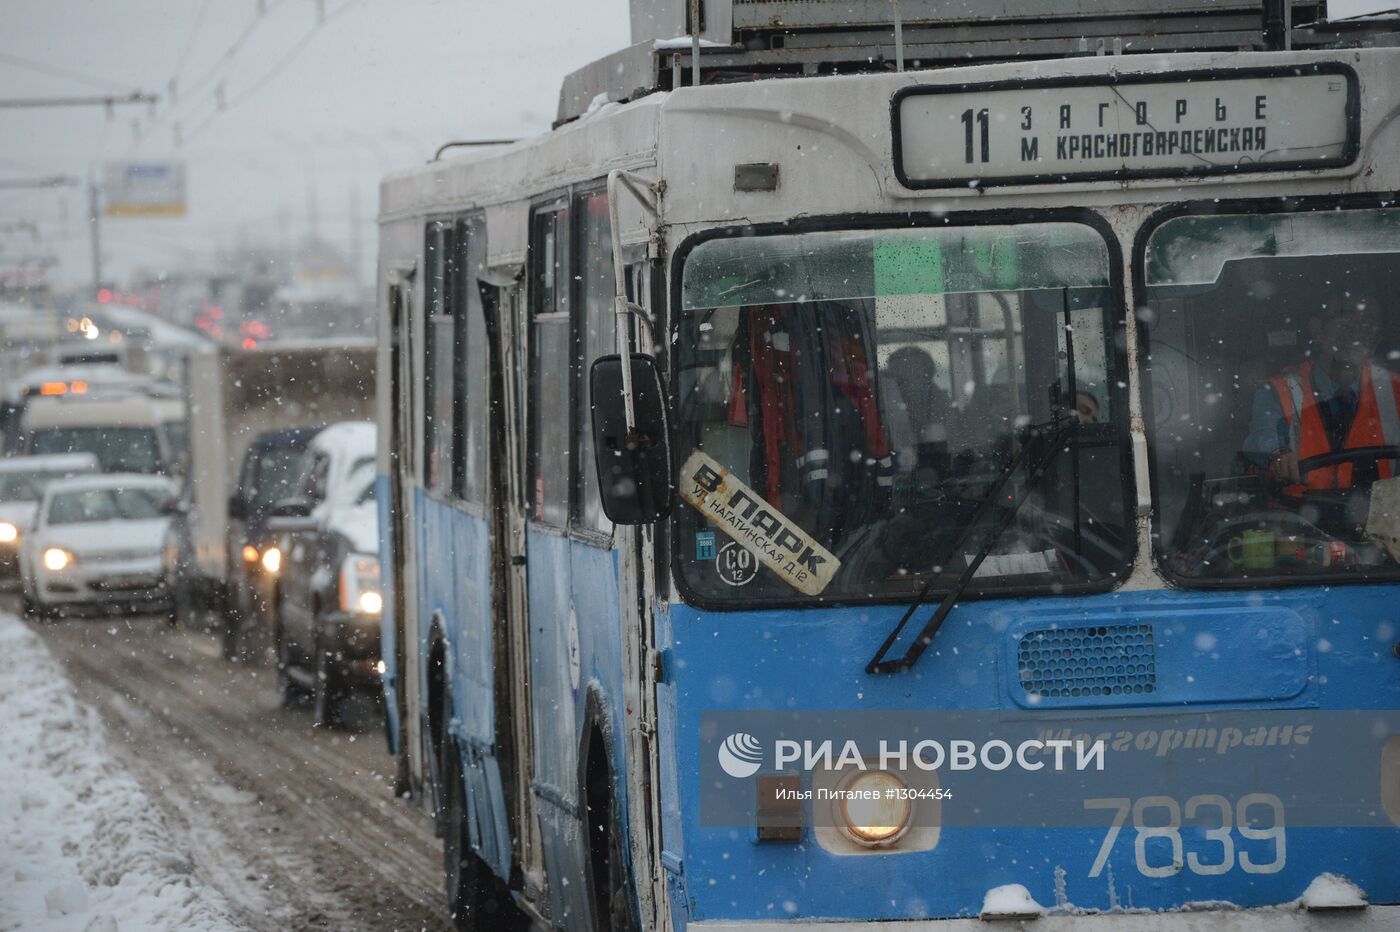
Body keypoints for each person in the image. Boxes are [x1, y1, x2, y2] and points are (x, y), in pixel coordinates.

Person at [1243, 292, 1399, 494]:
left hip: (1382, 521)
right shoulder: (1279, 391)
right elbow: (1261, 436)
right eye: (1345, 319)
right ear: (1318, 331)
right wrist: (1277, 455)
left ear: (1376, 341)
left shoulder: (1396, 391)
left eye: (1367, 325)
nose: (1356, 332)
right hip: (1294, 519)